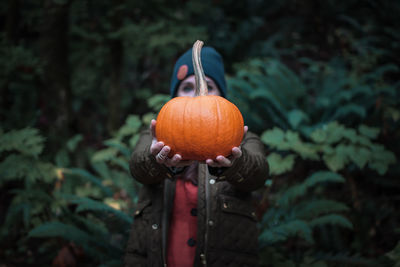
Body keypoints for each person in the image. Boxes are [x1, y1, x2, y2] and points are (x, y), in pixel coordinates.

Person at [124, 45, 269, 267]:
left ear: (222, 95)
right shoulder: (156, 138)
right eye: (187, 87)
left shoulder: (240, 139)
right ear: (175, 96)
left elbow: (258, 174)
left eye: (208, 86)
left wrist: (236, 163)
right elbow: (138, 168)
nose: (197, 94)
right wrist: (157, 160)